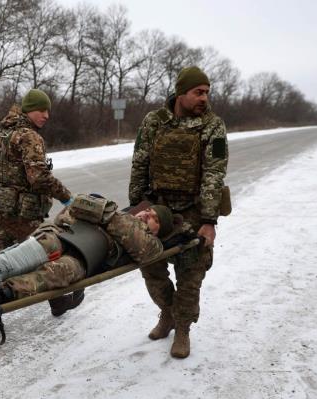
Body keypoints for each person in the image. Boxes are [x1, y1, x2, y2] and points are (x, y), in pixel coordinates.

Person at [128, 66, 229, 359]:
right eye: (198, 92)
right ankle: (167, 314)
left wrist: (209, 221)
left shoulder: (213, 125)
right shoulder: (154, 121)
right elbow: (140, 163)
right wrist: (137, 204)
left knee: (190, 273)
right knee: (150, 265)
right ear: (181, 93)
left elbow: (214, 172)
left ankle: (182, 328)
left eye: (207, 92)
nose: (204, 98)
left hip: (194, 211)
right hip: (157, 208)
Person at [0, 194, 182, 314]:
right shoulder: (122, 217)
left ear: (158, 231)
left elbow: (142, 247)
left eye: (154, 219)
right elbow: (75, 205)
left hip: (85, 260)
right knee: (20, 256)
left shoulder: (152, 244)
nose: (146, 216)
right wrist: (109, 215)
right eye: (148, 211)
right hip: (65, 237)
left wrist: (105, 214)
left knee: (55, 275)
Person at [0, 88, 74, 322]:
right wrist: (64, 196)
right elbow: (39, 177)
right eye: (41, 110)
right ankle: (59, 301)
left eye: (48, 111)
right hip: (24, 213)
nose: (46, 116)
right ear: (29, 110)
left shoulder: (3, 132)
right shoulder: (28, 135)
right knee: (43, 254)